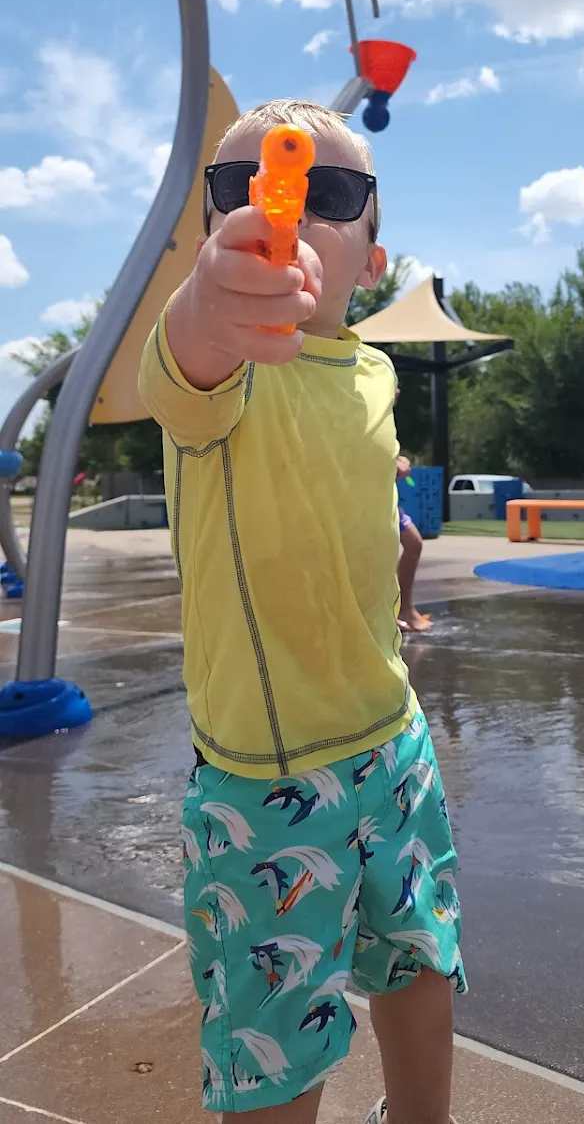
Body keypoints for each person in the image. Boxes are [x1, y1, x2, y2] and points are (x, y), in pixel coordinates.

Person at [138, 100, 465, 1124]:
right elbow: (187, 348)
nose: (282, 206)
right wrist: (210, 301)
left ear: (371, 256)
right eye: (241, 191)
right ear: (209, 235)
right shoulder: (221, 369)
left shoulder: (371, 368)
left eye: (329, 195)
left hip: (394, 741)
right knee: (276, 1037)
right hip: (267, 779)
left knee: (420, 958)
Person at [396, 453, 432, 633]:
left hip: (386, 498)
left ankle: (404, 608)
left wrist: (399, 459)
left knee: (414, 543)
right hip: (364, 497)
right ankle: (395, 611)